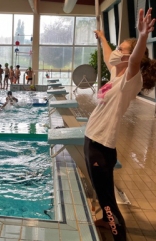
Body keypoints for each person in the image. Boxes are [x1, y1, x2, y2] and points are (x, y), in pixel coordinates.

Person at [83, 8, 155, 241]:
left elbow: (134, 59)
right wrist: (103, 38)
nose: (116, 52)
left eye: (120, 49)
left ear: (130, 55)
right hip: (93, 139)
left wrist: (142, 36)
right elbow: (107, 57)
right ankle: (106, 221)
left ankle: (118, 234)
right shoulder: (117, 73)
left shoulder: (130, 79)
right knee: (102, 194)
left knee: (108, 202)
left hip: (101, 146)